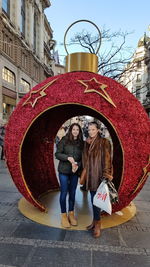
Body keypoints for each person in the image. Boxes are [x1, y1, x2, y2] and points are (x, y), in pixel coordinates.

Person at [81, 122, 113, 238]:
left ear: (98, 130)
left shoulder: (104, 142)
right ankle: (94, 222)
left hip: (99, 176)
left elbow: (107, 160)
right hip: (90, 176)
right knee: (93, 200)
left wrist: (106, 175)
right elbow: (84, 159)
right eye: (89, 130)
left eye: (93, 129)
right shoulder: (87, 143)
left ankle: (98, 224)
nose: (91, 132)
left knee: (97, 201)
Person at [55, 123, 84, 228]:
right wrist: (67, 158)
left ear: (79, 132)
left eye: (77, 130)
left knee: (72, 193)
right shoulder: (64, 140)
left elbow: (83, 159)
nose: (75, 131)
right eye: (74, 129)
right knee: (63, 193)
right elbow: (57, 154)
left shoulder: (82, 143)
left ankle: (71, 214)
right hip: (63, 171)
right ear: (70, 130)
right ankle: (63, 215)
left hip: (74, 172)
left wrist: (78, 165)